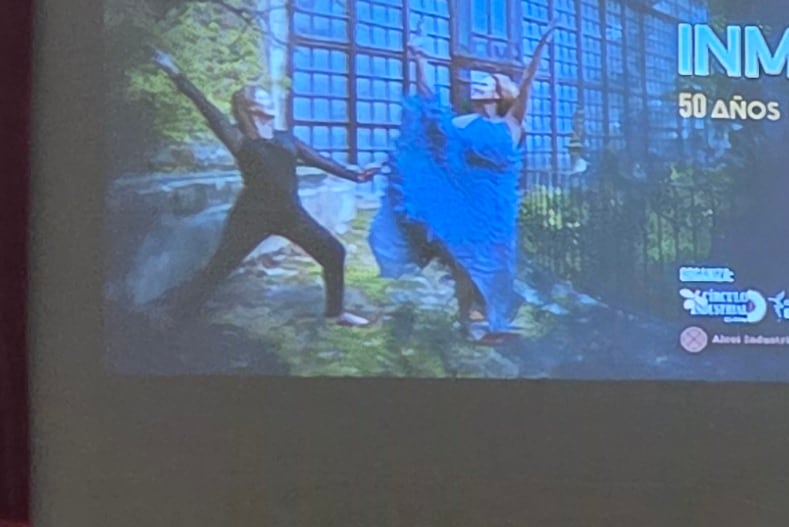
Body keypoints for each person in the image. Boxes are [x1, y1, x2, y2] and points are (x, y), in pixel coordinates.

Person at [156, 58, 374, 327]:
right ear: (250, 107)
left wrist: (356, 175)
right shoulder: (239, 138)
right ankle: (178, 315)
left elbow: (320, 160)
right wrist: (176, 74)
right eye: (263, 98)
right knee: (218, 269)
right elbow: (207, 109)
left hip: (290, 214)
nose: (270, 101)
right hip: (251, 216)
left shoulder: (286, 138)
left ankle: (336, 312)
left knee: (334, 252)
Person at [371, 35, 539, 340]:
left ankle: (493, 316)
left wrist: (539, 50)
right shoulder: (461, 124)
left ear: (498, 94)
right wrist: (421, 61)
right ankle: (469, 320)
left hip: (495, 207)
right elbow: (432, 116)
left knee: (496, 264)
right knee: (466, 263)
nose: (478, 85)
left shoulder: (512, 123)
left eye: (487, 83)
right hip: (467, 203)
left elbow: (526, 86)